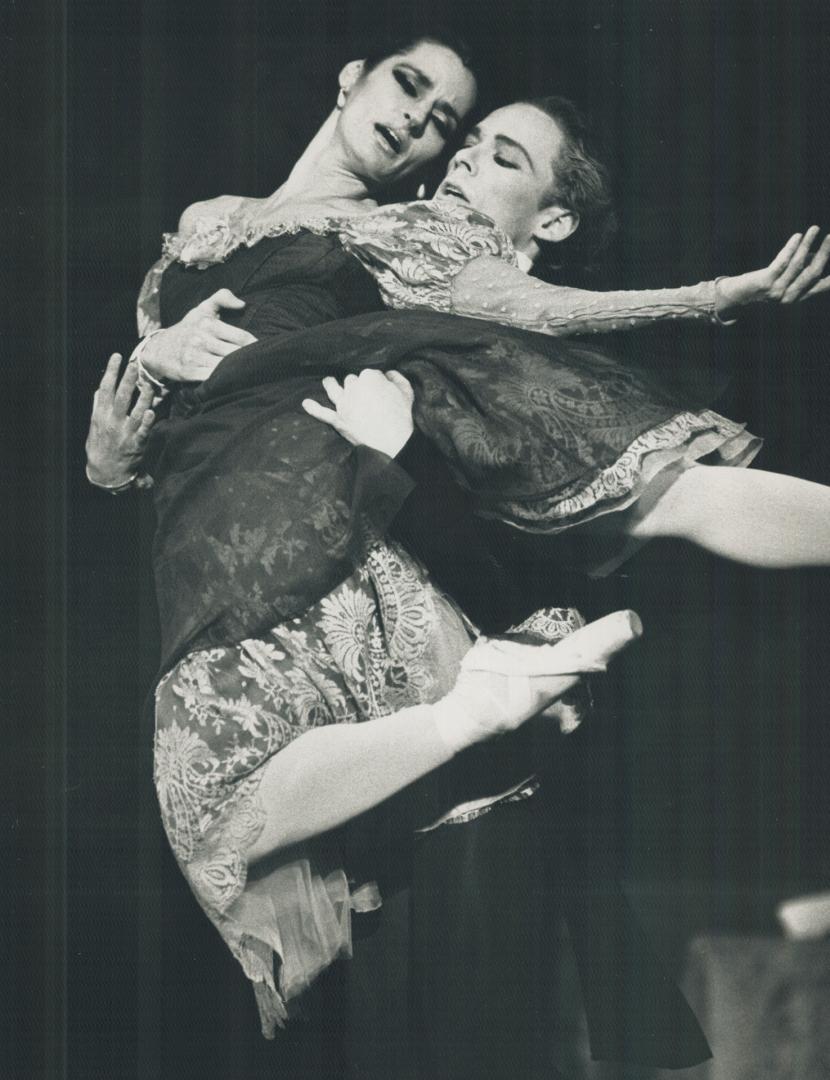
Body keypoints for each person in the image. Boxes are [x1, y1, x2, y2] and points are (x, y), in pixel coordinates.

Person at [86, 82, 829, 1076]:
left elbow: (617, 504)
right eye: (467, 140)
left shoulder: (485, 331)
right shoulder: (383, 271)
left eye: (502, 155)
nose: (463, 157)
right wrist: (140, 386)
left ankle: (469, 715)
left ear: (552, 219)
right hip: (390, 738)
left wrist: (711, 297)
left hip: (476, 766)